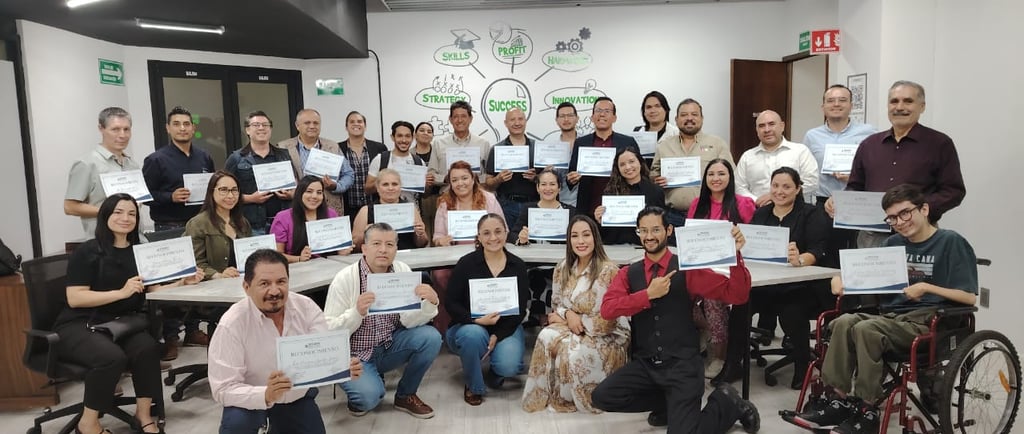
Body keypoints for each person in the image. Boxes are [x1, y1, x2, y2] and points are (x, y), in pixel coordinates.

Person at [789, 184, 977, 434]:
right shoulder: (892, 243)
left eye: (905, 213)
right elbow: (864, 276)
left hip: (929, 322)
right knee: (844, 322)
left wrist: (926, 288)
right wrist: (841, 281)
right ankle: (837, 399)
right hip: (892, 317)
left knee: (868, 329)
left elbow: (968, 296)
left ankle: (868, 408)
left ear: (924, 209)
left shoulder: (950, 242)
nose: (899, 222)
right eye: (892, 217)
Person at [591, 206, 760, 433]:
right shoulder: (629, 273)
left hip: (683, 366)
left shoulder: (687, 269)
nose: (649, 236)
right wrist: (647, 295)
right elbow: (608, 309)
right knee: (602, 397)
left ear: (669, 230)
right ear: (637, 233)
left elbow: (737, 295)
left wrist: (736, 256)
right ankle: (666, 403)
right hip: (647, 365)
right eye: (643, 230)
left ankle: (727, 402)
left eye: (655, 229)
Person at [56, 194, 203, 434]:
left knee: (147, 348)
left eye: (132, 214)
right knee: (111, 358)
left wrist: (183, 282)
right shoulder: (88, 251)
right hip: (81, 323)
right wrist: (121, 293)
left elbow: (154, 290)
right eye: (118, 212)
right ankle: (88, 423)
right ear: (105, 216)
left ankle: (143, 415)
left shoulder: (139, 251)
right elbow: (76, 297)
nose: (125, 218)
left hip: (120, 323)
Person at [208, 249, 364, 433]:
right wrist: (265, 394)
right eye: (264, 283)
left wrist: (340, 367)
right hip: (248, 402)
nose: (274, 291)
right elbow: (223, 388)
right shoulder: (232, 324)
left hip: (294, 398)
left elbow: (322, 352)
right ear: (246, 287)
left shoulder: (306, 308)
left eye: (281, 282)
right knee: (237, 424)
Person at [824, 80, 966, 248]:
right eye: (894, 101)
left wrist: (917, 211)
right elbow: (855, 186)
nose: (899, 107)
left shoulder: (939, 144)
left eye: (908, 101)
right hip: (873, 235)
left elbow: (953, 191)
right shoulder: (869, 145)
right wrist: (840, 201)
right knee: (871, 275)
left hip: (918, 235)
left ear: (922, 106)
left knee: (916, 275)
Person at [323, 223, 442, 419]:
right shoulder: (345, 278)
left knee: (431, 337)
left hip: (388, 345)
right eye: (376, 243)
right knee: (369, 398)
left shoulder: (402, 270)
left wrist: (430, 303)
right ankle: (361, 391)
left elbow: (409, 321)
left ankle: (405, 395)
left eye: (389, 244)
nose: (383, 250)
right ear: (364, 248)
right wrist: (356, 312)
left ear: (396, 248)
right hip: (354, 355)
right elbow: (328, 330)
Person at [521, 215, 629, 413]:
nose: (581, 241)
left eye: (586, 235)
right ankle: (548, 396)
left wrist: (576, 321)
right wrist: (568, 314)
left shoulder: (609, 271)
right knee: (546, 335)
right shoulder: (562, 268)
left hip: (607, 332)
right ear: (568, 240)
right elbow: (557, 305)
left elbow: (611, 319)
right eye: (575, 236)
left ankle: (582, 399)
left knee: (571, 351)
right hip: (572, 325)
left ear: (595, 237)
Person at [747, 167, 831, 390]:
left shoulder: (812, 214)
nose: (779, 191)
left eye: (786, 187)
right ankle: (735, 363)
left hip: (803, 284)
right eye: (775, 186)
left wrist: (800, 260)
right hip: (766, 283)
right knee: (740, 304)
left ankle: (803, 365)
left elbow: (818, 249)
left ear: (798, 189)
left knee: (791, 309)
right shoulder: (761, 214)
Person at [444, 213, 530, 406]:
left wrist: (497, 335)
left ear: (506, 233)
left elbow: (520, 310)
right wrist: (475, 321)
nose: (493, 238)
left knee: (509, 366)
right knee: (472, 335)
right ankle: (473, 385)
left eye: (498, 231)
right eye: (487, 233)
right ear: (479, 237)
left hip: (506, 327)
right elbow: (450, 302)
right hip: (468, 326)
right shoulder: (466, 264)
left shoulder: (517, 265)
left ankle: (496, 370)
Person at [686, 158, 756, 381]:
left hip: (730, 267)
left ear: (730, 177)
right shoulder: (697, 203)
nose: (716, 179)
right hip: (701, 265)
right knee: (678, 293)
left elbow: (751, 241)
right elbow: (690, 238)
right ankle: (710, 333)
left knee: (712, 297)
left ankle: (720, 355)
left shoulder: (743, 203)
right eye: (711, 174)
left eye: (721, 174)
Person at [430, 161, 504, 334]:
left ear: (473, 179)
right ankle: (452, 322)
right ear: (450, 183)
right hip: (454, 259)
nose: (460, 183)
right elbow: (437, 237)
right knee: (440, 274)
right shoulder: (444, 203)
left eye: (464, 178)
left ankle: (486, 320)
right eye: (455, 180)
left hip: (485, 256)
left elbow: (503, 229)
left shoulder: (488, 199)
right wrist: (442, 241)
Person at [804, 85, 876, 254]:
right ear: (823, 107)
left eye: (842, 100)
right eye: (830, 101)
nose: (836, 104)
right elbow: (807, 171)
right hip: (823, 204)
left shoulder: (869, 133)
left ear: (851, 105)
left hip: (858, 201)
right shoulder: (812, 136)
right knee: (827, 253)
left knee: (858, 251)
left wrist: (855, 177)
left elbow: (877, 167)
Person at [511, 168, 578, 326]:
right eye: (544, 184)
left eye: (552, 184)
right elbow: (512, 234)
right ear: (537, 187)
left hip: (561, 263)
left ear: (559, 187)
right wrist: (520, 238)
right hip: (533, 263)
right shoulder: (528, 209)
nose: (548, 188)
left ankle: (553, 318)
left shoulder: (570, 211)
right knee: (534, 276)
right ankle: (541, 318)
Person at [651, 98, 734, 227]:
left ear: (702, 118)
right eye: (684, 115)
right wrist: (656, 180)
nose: (689, 118)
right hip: (673, 215)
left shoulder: (717, 144)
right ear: (676, 119)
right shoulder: (664, 146)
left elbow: (731, 177)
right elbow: (653, 176)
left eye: (694, 114)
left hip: (709, 214)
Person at [64, 107, 141, 235]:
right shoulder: (87, 164)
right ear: (101, 129)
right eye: (115, 129)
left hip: (135, 239)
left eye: (126, 129)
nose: (122, 135)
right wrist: (109, 211)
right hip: (104, 243)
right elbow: (70, 207)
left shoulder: (132, 165)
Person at [565, 97, 642, 218]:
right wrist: (571, 179)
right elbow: (571, 176)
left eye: (607, 111)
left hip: (621, 207)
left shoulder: (627, 142)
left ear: (614, 117)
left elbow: (641, 173)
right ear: (592, 117)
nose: (602, 114)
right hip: (589, 207)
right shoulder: (581, 142)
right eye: (598, 110)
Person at [142, 106, 215, 231]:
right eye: (176, 124)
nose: (182, 128)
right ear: (168, 128)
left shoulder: (204, 156)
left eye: (186, 124)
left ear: (193, 128)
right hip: (170, 226)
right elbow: (144, 195)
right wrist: (170, 196)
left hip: (203, 223)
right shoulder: (156, 160)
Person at [225, 111, 296, 234]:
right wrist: (251, 198)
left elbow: (296, 184)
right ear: (247, 130)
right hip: (251, 224)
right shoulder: (236, 158)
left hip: (283, 221)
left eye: (265, 125)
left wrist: (291, 195)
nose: (261, 128)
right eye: (256, 125)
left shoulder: (284, 155)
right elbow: (224, 193)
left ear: (271, 129)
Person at [278, 108, 356, 218]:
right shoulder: (283, 147)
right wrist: (286, 191)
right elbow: (278, 178)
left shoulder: (332, 146)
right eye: (307, 123)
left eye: (316, 123)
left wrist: (335, 186)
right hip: (295, 209)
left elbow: (349, 174)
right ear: (297, 125)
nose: (312, 126)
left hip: (328, 207)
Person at [734, 110, 819, 207]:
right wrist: (757, 200)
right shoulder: (747, 157)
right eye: (761, 126)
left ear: (782, 126)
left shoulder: (800, 151)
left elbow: (812, 182)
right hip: (758, 212)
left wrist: (774, 196)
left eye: (771, 124)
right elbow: (739, 186)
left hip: (795, 213)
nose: (767, 130)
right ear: (757, 130)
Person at [185, 171, 252, 280]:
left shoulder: (243, 222)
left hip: (241, 282)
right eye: (223, 190)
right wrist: (218, 275)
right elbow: (196, 263)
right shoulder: (197, 224)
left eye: (234, 190)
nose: (230, 195)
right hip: (210, 287)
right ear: (211, 192)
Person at [269, 175, 352, 263]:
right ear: (299, 193)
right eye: (309, 191)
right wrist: (299, 259)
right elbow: (276, 255)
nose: (314, 196)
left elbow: (337, 246)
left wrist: (342, 251)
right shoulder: (283, 218)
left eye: (319, 192)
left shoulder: (331, 214)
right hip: (296, 269)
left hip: (328, 266)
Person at [594, 147, 665, 245]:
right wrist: (600, 220)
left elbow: (660, 225)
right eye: (622, 164)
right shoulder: (610, 193)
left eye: (631, 161)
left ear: (640, 162)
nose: (628, 167)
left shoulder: (655, 191)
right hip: (616, 247)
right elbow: (606, 232)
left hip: (646, 247)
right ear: (618, 169)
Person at [485, 108, 539, 228]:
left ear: (525, 121)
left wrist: (536, 178)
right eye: (512, 119)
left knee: (533, 243)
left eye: (520, 119)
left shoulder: (537, 148)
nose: (517, 123)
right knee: (507, 242)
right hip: (506, 205)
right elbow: (488, 183)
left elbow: (548, 179)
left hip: (533, 204)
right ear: (506, 123)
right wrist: (498, 179)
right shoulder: (497, 149)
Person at [352, 168, 430, 250]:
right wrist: (365, 233)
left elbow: (422, 244)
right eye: (385, 184)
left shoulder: (411, 209)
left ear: (400, 187)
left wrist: (420, 233)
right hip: (377, 258)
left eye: (394, 184)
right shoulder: (365, 211)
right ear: (377, 188)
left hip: (407, 256)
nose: (390, 188)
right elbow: (355, 246)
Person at [427, 101, 492, 188]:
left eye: (463, 116)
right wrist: (444, 178)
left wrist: (479, 178)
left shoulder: (483, 144)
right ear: (450, 119)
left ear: (470, 118)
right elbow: (431, 175)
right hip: (447, 196)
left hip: (476, 196)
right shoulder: (438, 144)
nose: (460, 120)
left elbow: (489, 175)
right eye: (455, 117)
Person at [366, 121, 432, 205]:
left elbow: (425, 195)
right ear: (392, 137)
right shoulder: (381, 159)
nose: (404, 140)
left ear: (413, 137)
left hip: (413, 211)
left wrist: (426, 184)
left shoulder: (418, 162)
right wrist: (385, 180)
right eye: (399, 136)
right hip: (385, 212)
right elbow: (367, 190)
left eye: (407, 136)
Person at [340, 111, 389, 218]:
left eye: (359, 121)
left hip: (374, 207)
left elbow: (385, 175)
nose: (356, 124)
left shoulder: (379, 148)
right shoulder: (337, 148)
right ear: (346, 127)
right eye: (352, 122)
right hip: (348, 209)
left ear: (365, 126)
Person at [413, 121, 441, 237]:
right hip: (419, 199)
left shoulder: (439, 152)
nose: (426, 133)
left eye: (429, 131)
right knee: (423, 233)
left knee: (438, 231)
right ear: (415, 135)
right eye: (422, 130)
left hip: (438, 196)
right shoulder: (409, 154)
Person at [552, 102, 580, 206]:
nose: (566, 119)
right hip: (561, 202)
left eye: (570, 115)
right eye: (562, 116)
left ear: (577, 118)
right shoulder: (551, 148)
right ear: (556, 120)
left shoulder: (588, 144)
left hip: (585, 201)